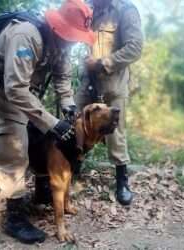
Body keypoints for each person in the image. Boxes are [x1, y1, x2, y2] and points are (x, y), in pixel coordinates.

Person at [0, 0, 95, 244]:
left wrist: (68, 105)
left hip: (25, 95)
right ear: (58, 28)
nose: (73, 41)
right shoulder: (25, 37)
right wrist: (52, 121)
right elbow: (15, 89)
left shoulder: (61, 44)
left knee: (41, 138)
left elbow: (62, 76)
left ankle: (42, 192)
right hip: (0, 94)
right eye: (71, 36)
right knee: (13, 152)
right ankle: (14, 217)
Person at [75, 0, 143, 206]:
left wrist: (103, 63)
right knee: (75, 122)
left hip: (112, 84)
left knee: (115, 132)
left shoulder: (125, 10)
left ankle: (122, 181)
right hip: (88, 82)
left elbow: (135, 47)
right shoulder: (90, 10)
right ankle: (73, 169)